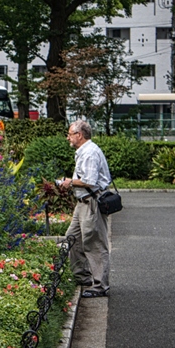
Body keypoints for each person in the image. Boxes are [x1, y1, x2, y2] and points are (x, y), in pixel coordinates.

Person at [59, 120, 112, 298]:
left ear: (79, 135)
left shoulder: (89, 153)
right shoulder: (84, 152)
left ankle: (100, 286)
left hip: (91, 203)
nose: (68, 137)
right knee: (72, 238)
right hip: (83, 202)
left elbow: (89, 181)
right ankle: (83, 276)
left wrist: (69, 182)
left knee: (95, 244)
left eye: (70, 134)